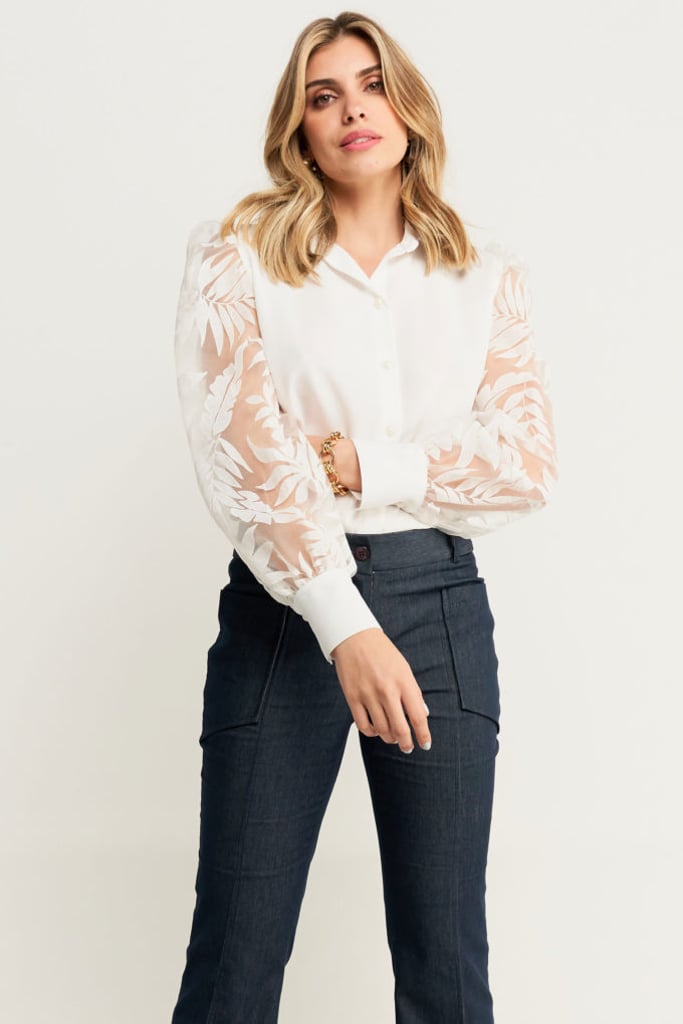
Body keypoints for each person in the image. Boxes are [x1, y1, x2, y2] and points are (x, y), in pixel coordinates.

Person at [170, 10, 558, 1024]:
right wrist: (345, 626)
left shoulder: (483, 270)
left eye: (372, 83)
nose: (353, 109)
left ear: (408, 105)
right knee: (235, 956)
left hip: (440, 603)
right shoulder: (236, 256)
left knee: (446, 964)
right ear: (297, 128)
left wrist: (359, 463)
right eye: (323, 94)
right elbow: (245, 461)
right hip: (284, 609)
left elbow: (524, 464)